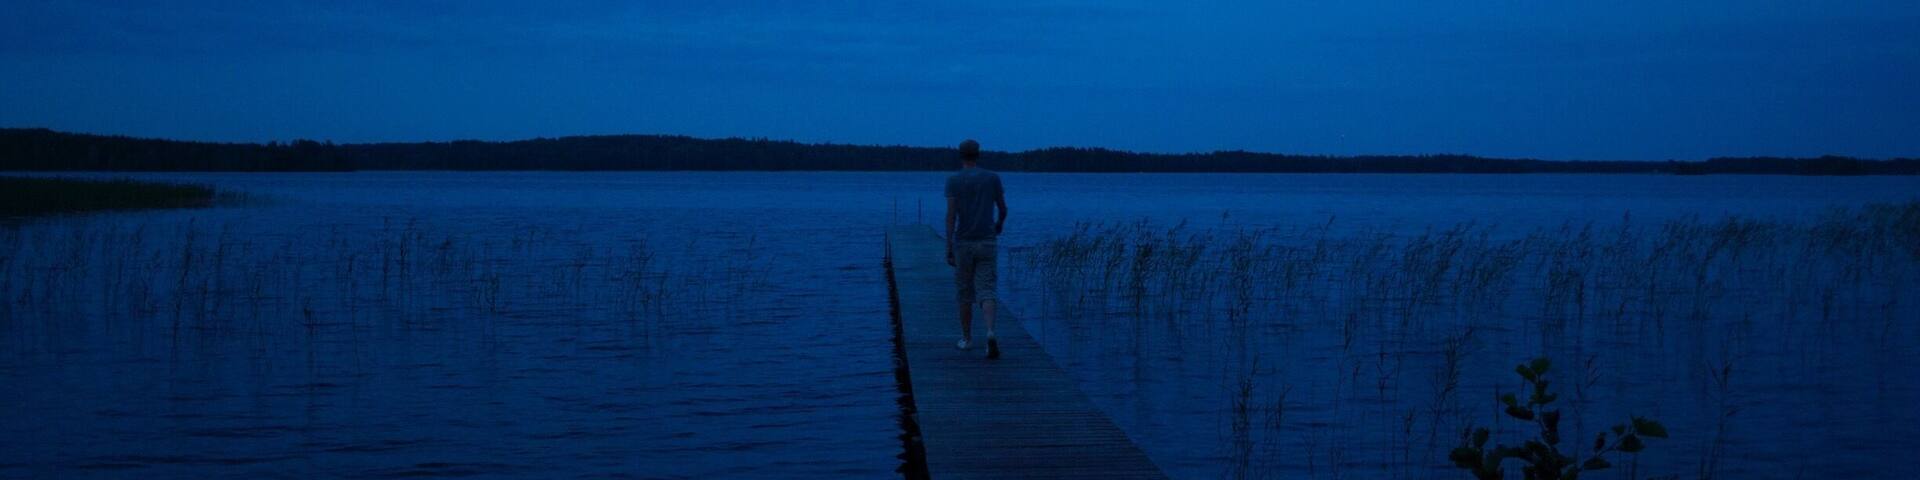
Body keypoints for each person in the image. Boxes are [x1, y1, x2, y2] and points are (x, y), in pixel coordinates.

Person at [945, 139, 1008, 359]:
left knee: (965, 292)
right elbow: (1003, 209)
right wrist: (998, 225)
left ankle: (967, 339)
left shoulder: (953, 180)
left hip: (964, 242)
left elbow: (951, 216)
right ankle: (990, 332)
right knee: (987, 289)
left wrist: (948, 245)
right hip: (987, 241)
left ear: (961, 155)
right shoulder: (992, 178)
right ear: (978, 155)